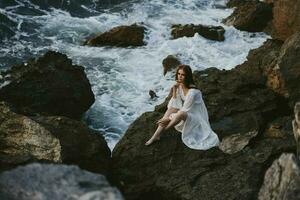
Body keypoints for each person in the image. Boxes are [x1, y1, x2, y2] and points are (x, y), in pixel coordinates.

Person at [145, 64, 220, 150]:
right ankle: (155, 136)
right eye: (179, 74)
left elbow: (185, 109)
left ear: (187, 76)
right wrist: (174, 90)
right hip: (188, 112)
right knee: (171, 109)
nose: (180, 77)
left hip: (196, 117)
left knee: (180, 113)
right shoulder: (180, 86)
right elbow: (174, 103)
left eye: (183, 75)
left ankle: (164, 130)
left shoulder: (193, 92)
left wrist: (168, 119)